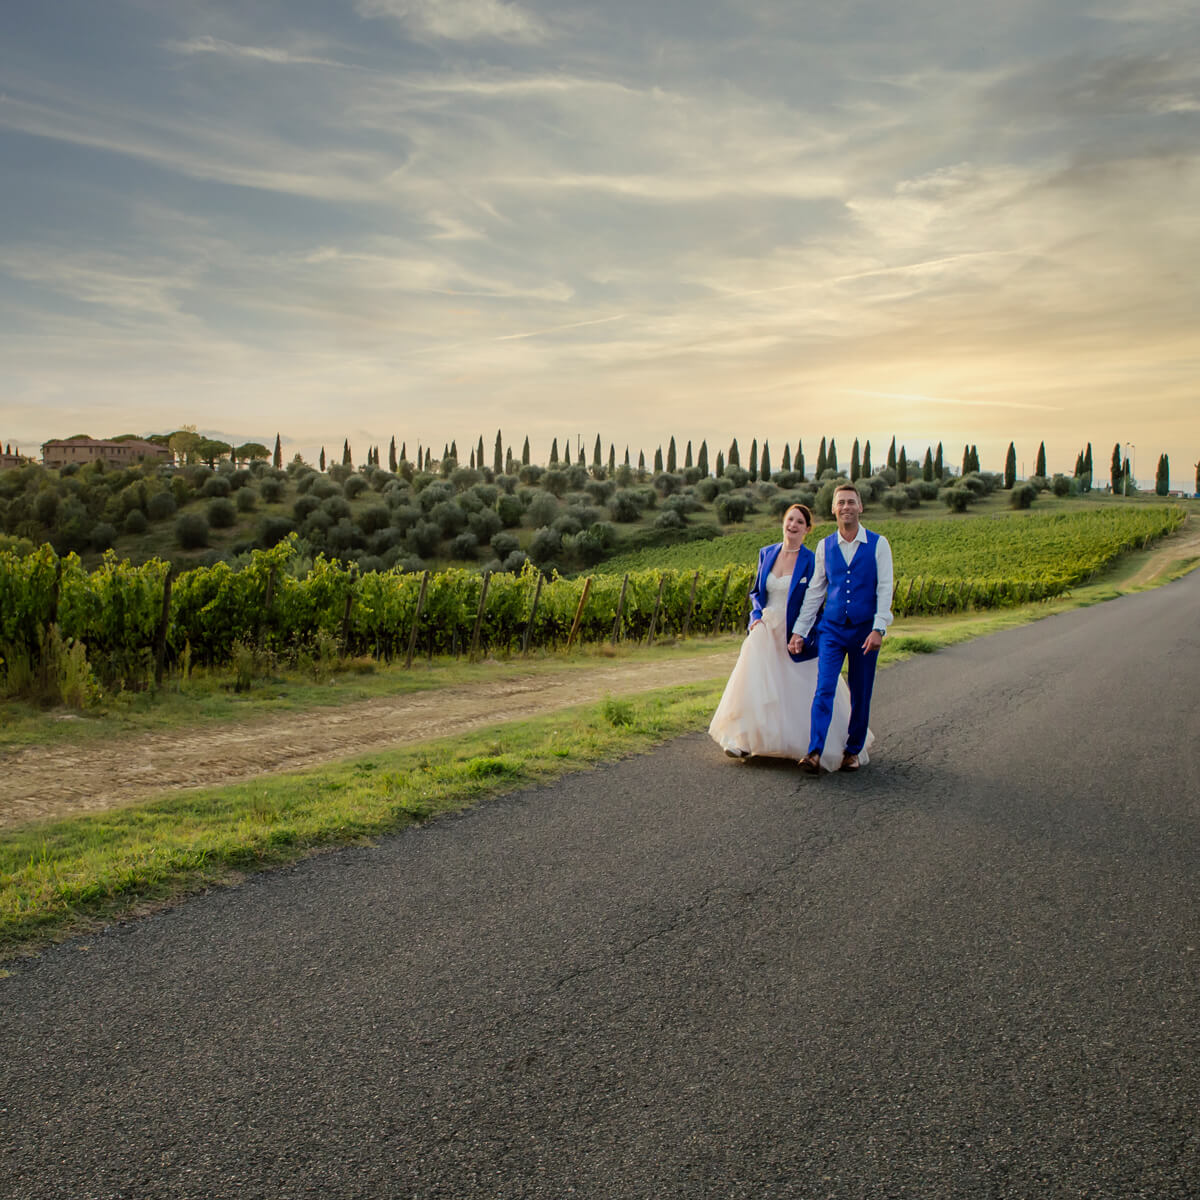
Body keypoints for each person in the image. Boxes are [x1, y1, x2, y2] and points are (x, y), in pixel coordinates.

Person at [709, 504, 868, 767]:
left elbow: (817, 598)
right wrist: (755, 616)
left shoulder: (810, 559)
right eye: (789, 519)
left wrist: (804, 633)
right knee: (754, 683)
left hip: (796, 632)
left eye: (799, 522)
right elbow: (757, 593)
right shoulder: (766, 553)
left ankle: (818, 744)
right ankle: (743, 741)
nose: (792, 525)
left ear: (807, 529)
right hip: (765, 629)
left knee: (800, 686)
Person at [787, 482, 893, 773]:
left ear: (860, 507)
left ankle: (853, 750)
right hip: (831, 629)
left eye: (850, 502)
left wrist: (879, 628)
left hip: (863, 630)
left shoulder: (879, 544)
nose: (845, 507)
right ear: (833, 509)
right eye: (840, 503)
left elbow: (885, 589)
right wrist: (800, 630)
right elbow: (816, 592)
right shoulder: (825, 546)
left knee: (861, 691)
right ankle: (815, 751)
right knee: (824, 689)